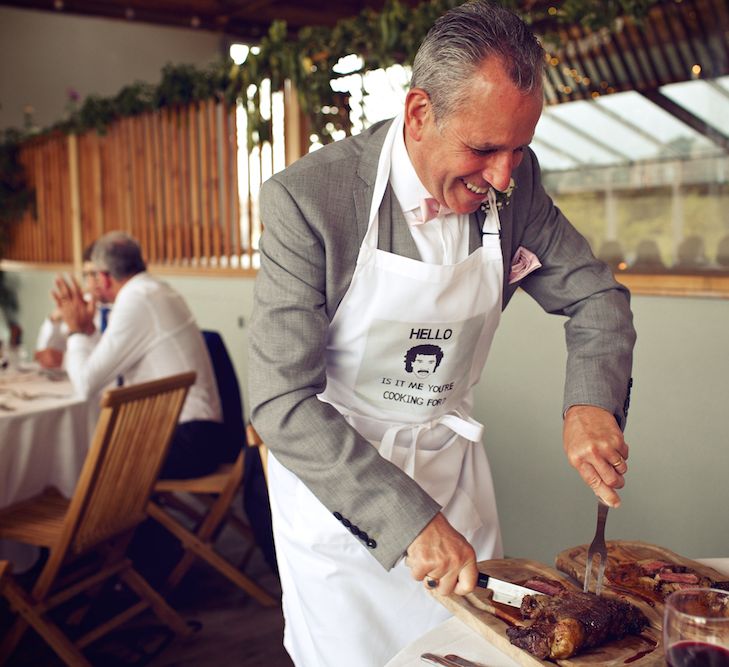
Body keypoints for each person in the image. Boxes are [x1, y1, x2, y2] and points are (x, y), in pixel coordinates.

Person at [248, 2, 636, 665]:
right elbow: (279, 401)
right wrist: (408, 520)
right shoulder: (310, 200)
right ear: (419, 113)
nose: (502, 177)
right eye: (484, 149)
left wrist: (588, 405)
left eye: (520, 149)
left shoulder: (513, 187)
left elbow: (595, 298)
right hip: (342, 500)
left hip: (453, 483)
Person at [52, 231, 237, 479]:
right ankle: (143, 518)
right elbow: (104, 370)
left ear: (105, 278)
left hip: (188, 440)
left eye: (93, 275)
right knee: (106, 446)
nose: (92, 283)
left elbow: (85, 385)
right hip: (201, 435)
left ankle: (108, 517)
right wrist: (86, 331)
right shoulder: (154, 290)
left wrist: (75, 331)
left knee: (95, 458)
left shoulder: (136, 300)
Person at [34, 243, 111, 369]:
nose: (91, 281)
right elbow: (46, 355)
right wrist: (55, 319)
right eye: (87, 275)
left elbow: (108, 363)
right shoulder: (81, 304)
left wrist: (64, 361)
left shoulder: (125, 306)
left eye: (96, 274)